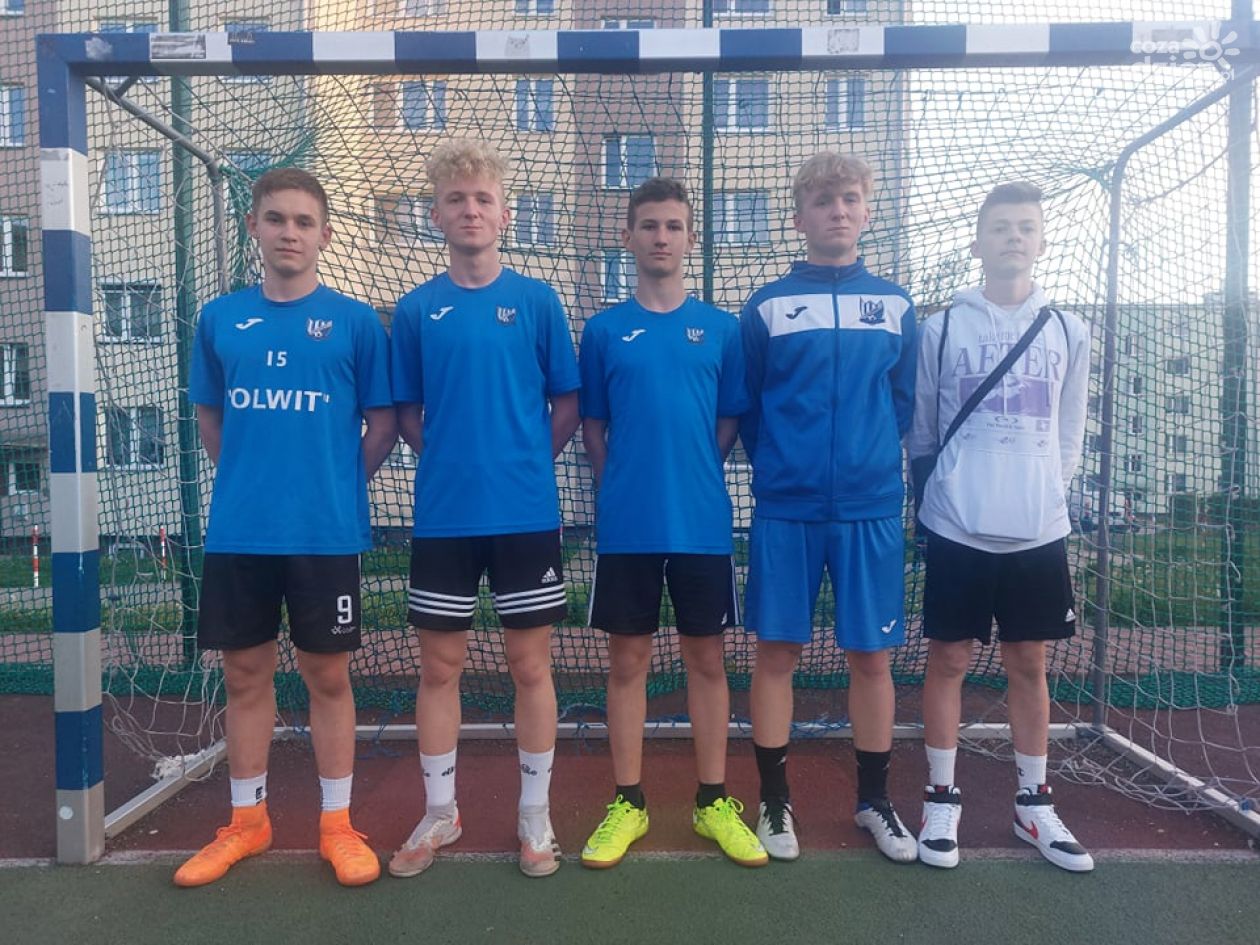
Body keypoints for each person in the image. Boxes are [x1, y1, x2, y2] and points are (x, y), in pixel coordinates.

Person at [177, 168, 396, 887]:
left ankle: (338, 824)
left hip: (324, 534)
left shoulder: (355, 323)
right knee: (244, 675)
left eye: (304, 221)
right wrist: (253, 479)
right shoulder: (220, 319)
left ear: (325, 234)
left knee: (327, 675)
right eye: (276, 219)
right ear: (254, 227)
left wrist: (332, 484)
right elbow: (211, 419)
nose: (290, 233)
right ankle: (248, 822)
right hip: (241, 532)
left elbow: (383, 424)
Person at [387, 138, 580, 879]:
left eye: (482, 199)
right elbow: (407, 411)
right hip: (445, 517)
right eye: (455, 199)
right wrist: (446, 461)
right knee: (440, 667)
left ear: (504, 214)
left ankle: (535, 814)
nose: (470, 210)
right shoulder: (415, 310)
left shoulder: (537, 301)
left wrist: (526, 460)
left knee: (530, 665)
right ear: (437, 215)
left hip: (524, 514)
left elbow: (566, 403)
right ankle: (441, 811)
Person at [577, 178, 765, 869]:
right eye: (650, 225)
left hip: (701, 525)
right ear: (627, 236)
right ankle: (628, 802)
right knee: (627, 662)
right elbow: (593, 429)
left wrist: (689, 472)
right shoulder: (603, 330)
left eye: (674, 226)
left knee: (707, 660)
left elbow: (728, 422)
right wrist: (625, 483)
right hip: (627, 526)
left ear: (690, 238)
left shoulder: (721, 329)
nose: (661, 236)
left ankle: (713, 801)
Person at [908, 182, 1093, 872]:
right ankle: (940, 798)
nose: (1014, 236)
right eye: (1001, 227)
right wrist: (944, 497)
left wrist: (1043, 492)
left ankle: (1033, 803)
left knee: (1029, 662)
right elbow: (923, 428)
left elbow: (1069, 431)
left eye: (1025, 227)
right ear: (978, 241)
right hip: (958, 524)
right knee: (948, 660)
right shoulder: (941, 329)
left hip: (1036, 529)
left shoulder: (1069, 329)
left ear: (1041, 241)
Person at [741, 152, 918, 863]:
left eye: (848, 198)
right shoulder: (767, 305)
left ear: (867, 211)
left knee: (871, 656)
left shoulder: (897, 306)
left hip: (869, 509)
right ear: (799, 218)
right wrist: (786, 465)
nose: (836, 210)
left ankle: (875, 800)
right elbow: (751, 408)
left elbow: (902, 403)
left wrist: (866, 460)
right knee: (776, 652)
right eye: (822, 201)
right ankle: (774, 802)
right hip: (787, 508)